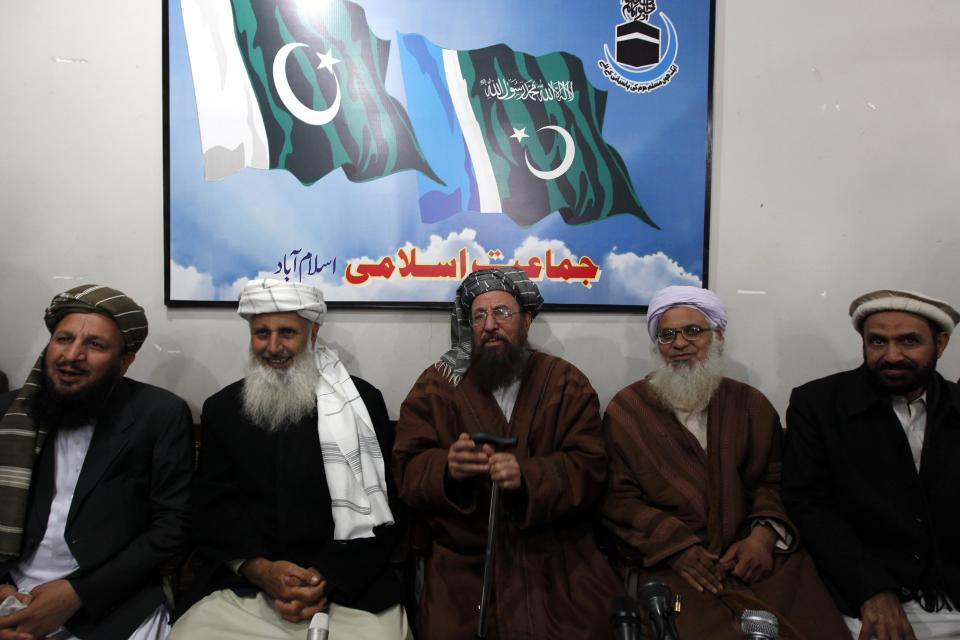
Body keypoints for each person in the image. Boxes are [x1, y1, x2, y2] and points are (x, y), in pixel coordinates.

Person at [601, 285, 848, 639]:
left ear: (718, 337)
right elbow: (616, 497)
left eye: (692, 331)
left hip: (754, 552)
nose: (679, 343)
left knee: (808, 624)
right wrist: (678, 548)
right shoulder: (628, 410)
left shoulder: (751, 404)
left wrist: (763, 536)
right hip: (671, 558)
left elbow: (775, 479)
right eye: (667, 335)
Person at [170, 279, 409, 640]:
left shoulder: (361, 403)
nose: (273, 346)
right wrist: (260, 570)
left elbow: (386, 507)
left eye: (287, 333)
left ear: (313, 335)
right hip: (248, 587)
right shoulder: (222, 409)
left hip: (349, 586)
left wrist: (323, 578)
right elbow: (213, 508)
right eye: (261, 333)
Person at [393, 266, 621, 639]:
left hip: (553, 558)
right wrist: (448, 469)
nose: (489, 325)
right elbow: (407, 465)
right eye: (479, 316)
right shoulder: (437, 384)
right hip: (465, 561)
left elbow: (590, 465)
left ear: (527, 321)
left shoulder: (565, 382)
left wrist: (528, 477)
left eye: (502, 312)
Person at [0, 284, 194, 640]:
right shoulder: (10, 413)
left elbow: (172, 527)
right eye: (64, 339)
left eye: (94, 345)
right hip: (11, 587)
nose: (71, 355)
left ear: (124, 362)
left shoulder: (159, 414)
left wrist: (78, 593)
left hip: (115, 597)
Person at [784, 289, 960, 640]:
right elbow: (808, 505)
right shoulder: (818, 405)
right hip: (861, 597)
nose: (892, 355)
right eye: (878, 341)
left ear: (941, 344)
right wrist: (872, 589)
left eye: (909, 341)